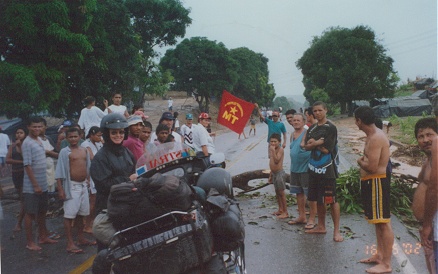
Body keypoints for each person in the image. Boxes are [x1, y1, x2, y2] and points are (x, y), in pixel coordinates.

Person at [355, 106, 393, 273]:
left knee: (383, 223)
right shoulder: (371, 136)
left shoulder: (376, 137)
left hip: (377, 181)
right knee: (377, 223)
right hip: (371, 182)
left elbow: (371, 166)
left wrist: (359, 161)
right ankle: (379, 255)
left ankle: (386, 264)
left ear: (359, 121)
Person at [303, 101, 343, 242]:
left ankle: (337, 231)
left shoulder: (331, 128)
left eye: (320, 110)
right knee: (318, 199)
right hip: (314, 169)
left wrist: (315, 144)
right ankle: (321, 226)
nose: (317, 113)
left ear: (326, 110)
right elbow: (305, 145)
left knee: (331, 199)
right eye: (315, 111)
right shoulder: (312, 128)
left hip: (327, 170)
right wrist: (316, 143)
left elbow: (327, 149)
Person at [22, 117, 58, 251]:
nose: (37, 129)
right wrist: (35, 185)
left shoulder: (39, 140)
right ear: (28, 127)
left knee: (42, 211)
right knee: (30, 214)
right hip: (32, 186)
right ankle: (30, 242)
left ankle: (43, 237)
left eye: (39, 126)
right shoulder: (27, 143)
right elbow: (27, 165)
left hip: (43, 183)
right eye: (34, 127)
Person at [90, 113, 137, 216]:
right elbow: (103, 185)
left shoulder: (126, 152)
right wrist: (128, 180)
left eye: (121, 132)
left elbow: (135, 170)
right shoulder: (100, 157)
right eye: (114, 132)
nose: (118, 135)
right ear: (107, 134)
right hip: (109, 206)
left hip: (128, 201)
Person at [56, 127, 93, 254]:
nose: (73, 139)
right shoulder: (64, 152)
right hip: (71, 186)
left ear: (80, 136)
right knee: (69, 215)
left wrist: (88, 179)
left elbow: (88, 166)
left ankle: (81, 238)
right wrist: (60, 189)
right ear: (66, 138)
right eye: (70, 137)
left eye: (75, 136)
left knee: (81, 213)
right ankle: (70, 243)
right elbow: (59, 171)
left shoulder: (84, 150)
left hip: (83, 185)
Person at [411, 118, 438, 274]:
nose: (425, 140)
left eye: (430, 135)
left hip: (434, 227)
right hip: (429, 227)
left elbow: (434, 189)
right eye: (421, 137)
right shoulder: (429, 160)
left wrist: (427, 224)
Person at [286, 112, 316, 229]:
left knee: (310, 195)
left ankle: (312, 219)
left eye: (299, 120)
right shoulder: (292, 134)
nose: (296, 122)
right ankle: (302, 216)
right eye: (294, 120)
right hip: (295, 168)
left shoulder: (307, 133)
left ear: (304, 122)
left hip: (306, 168)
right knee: (298, 193)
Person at [81, 126, 103, 234]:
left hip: (97, 174)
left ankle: (91, 221)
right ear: (91, 135)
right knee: (92, 201)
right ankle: (86, 225)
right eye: (98, 135)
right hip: (89, 176)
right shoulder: (86, 144)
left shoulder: (98, 143)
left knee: (96, 201)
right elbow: (92, 158)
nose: (100, 137)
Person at [6, 126, 28, 232]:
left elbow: (28, 159)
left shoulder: (26, 145)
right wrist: (21, 163)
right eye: (17, 133)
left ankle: (19, 223)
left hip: (25, 174)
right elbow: (8, 160)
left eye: (21, 133)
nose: (19, 135)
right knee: (21, 199)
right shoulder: (12, 146)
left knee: (24, 199)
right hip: (16, 174)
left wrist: (20, 149)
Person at [267, 133, 288, 219]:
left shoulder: (280, 149)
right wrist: (271, 175)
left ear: (279, 142)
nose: (273, 143)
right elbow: (271, 163)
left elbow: (276, 160)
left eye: (275, 141)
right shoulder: (271, 149)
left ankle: (285, 212)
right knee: (277, 192)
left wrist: (272, 151)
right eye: (271, 141)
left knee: (281, 193)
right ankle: (280, 209)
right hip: (274, 173)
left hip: (279, 174)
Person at [40, 118, 59, 193]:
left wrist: (48, 152)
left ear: (45, 127)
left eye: (40, 126)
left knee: (51, 190)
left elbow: (56, 153)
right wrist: (48, 152)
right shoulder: (34, 140)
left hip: (51, 169)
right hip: (41, 171)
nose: (38, 129)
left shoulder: (48, 139)